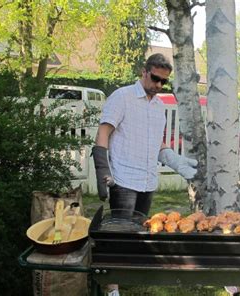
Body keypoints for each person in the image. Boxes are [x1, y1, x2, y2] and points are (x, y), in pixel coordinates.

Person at [92, 53, 198, 296]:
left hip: (148, 181)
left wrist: (177, 162)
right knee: (118, 236)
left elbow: (158, 144)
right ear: (144, 71)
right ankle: (112, 288)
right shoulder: (122, 97)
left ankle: (127, 272)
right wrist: (102, 169)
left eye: (163, 82)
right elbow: (103, 133)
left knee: (139, 232)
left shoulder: (159, 106)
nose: (159, 86)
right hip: (124, 179)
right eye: (155, 78)